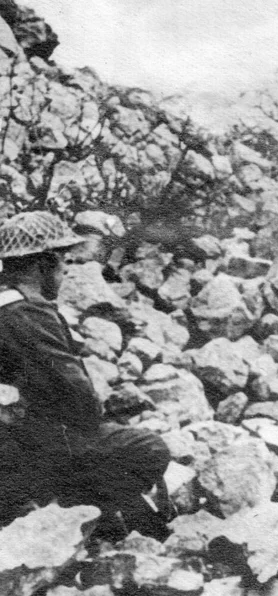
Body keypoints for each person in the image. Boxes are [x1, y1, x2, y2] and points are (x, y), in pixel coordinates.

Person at [0, 211, 172, 540]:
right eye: (63, 261)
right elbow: (79, 400)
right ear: (44, 264)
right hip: (18, 455)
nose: (66, 271)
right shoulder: (26, 312)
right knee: (147, 449)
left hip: (11, 440)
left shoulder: (5, 303)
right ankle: (67, 508)